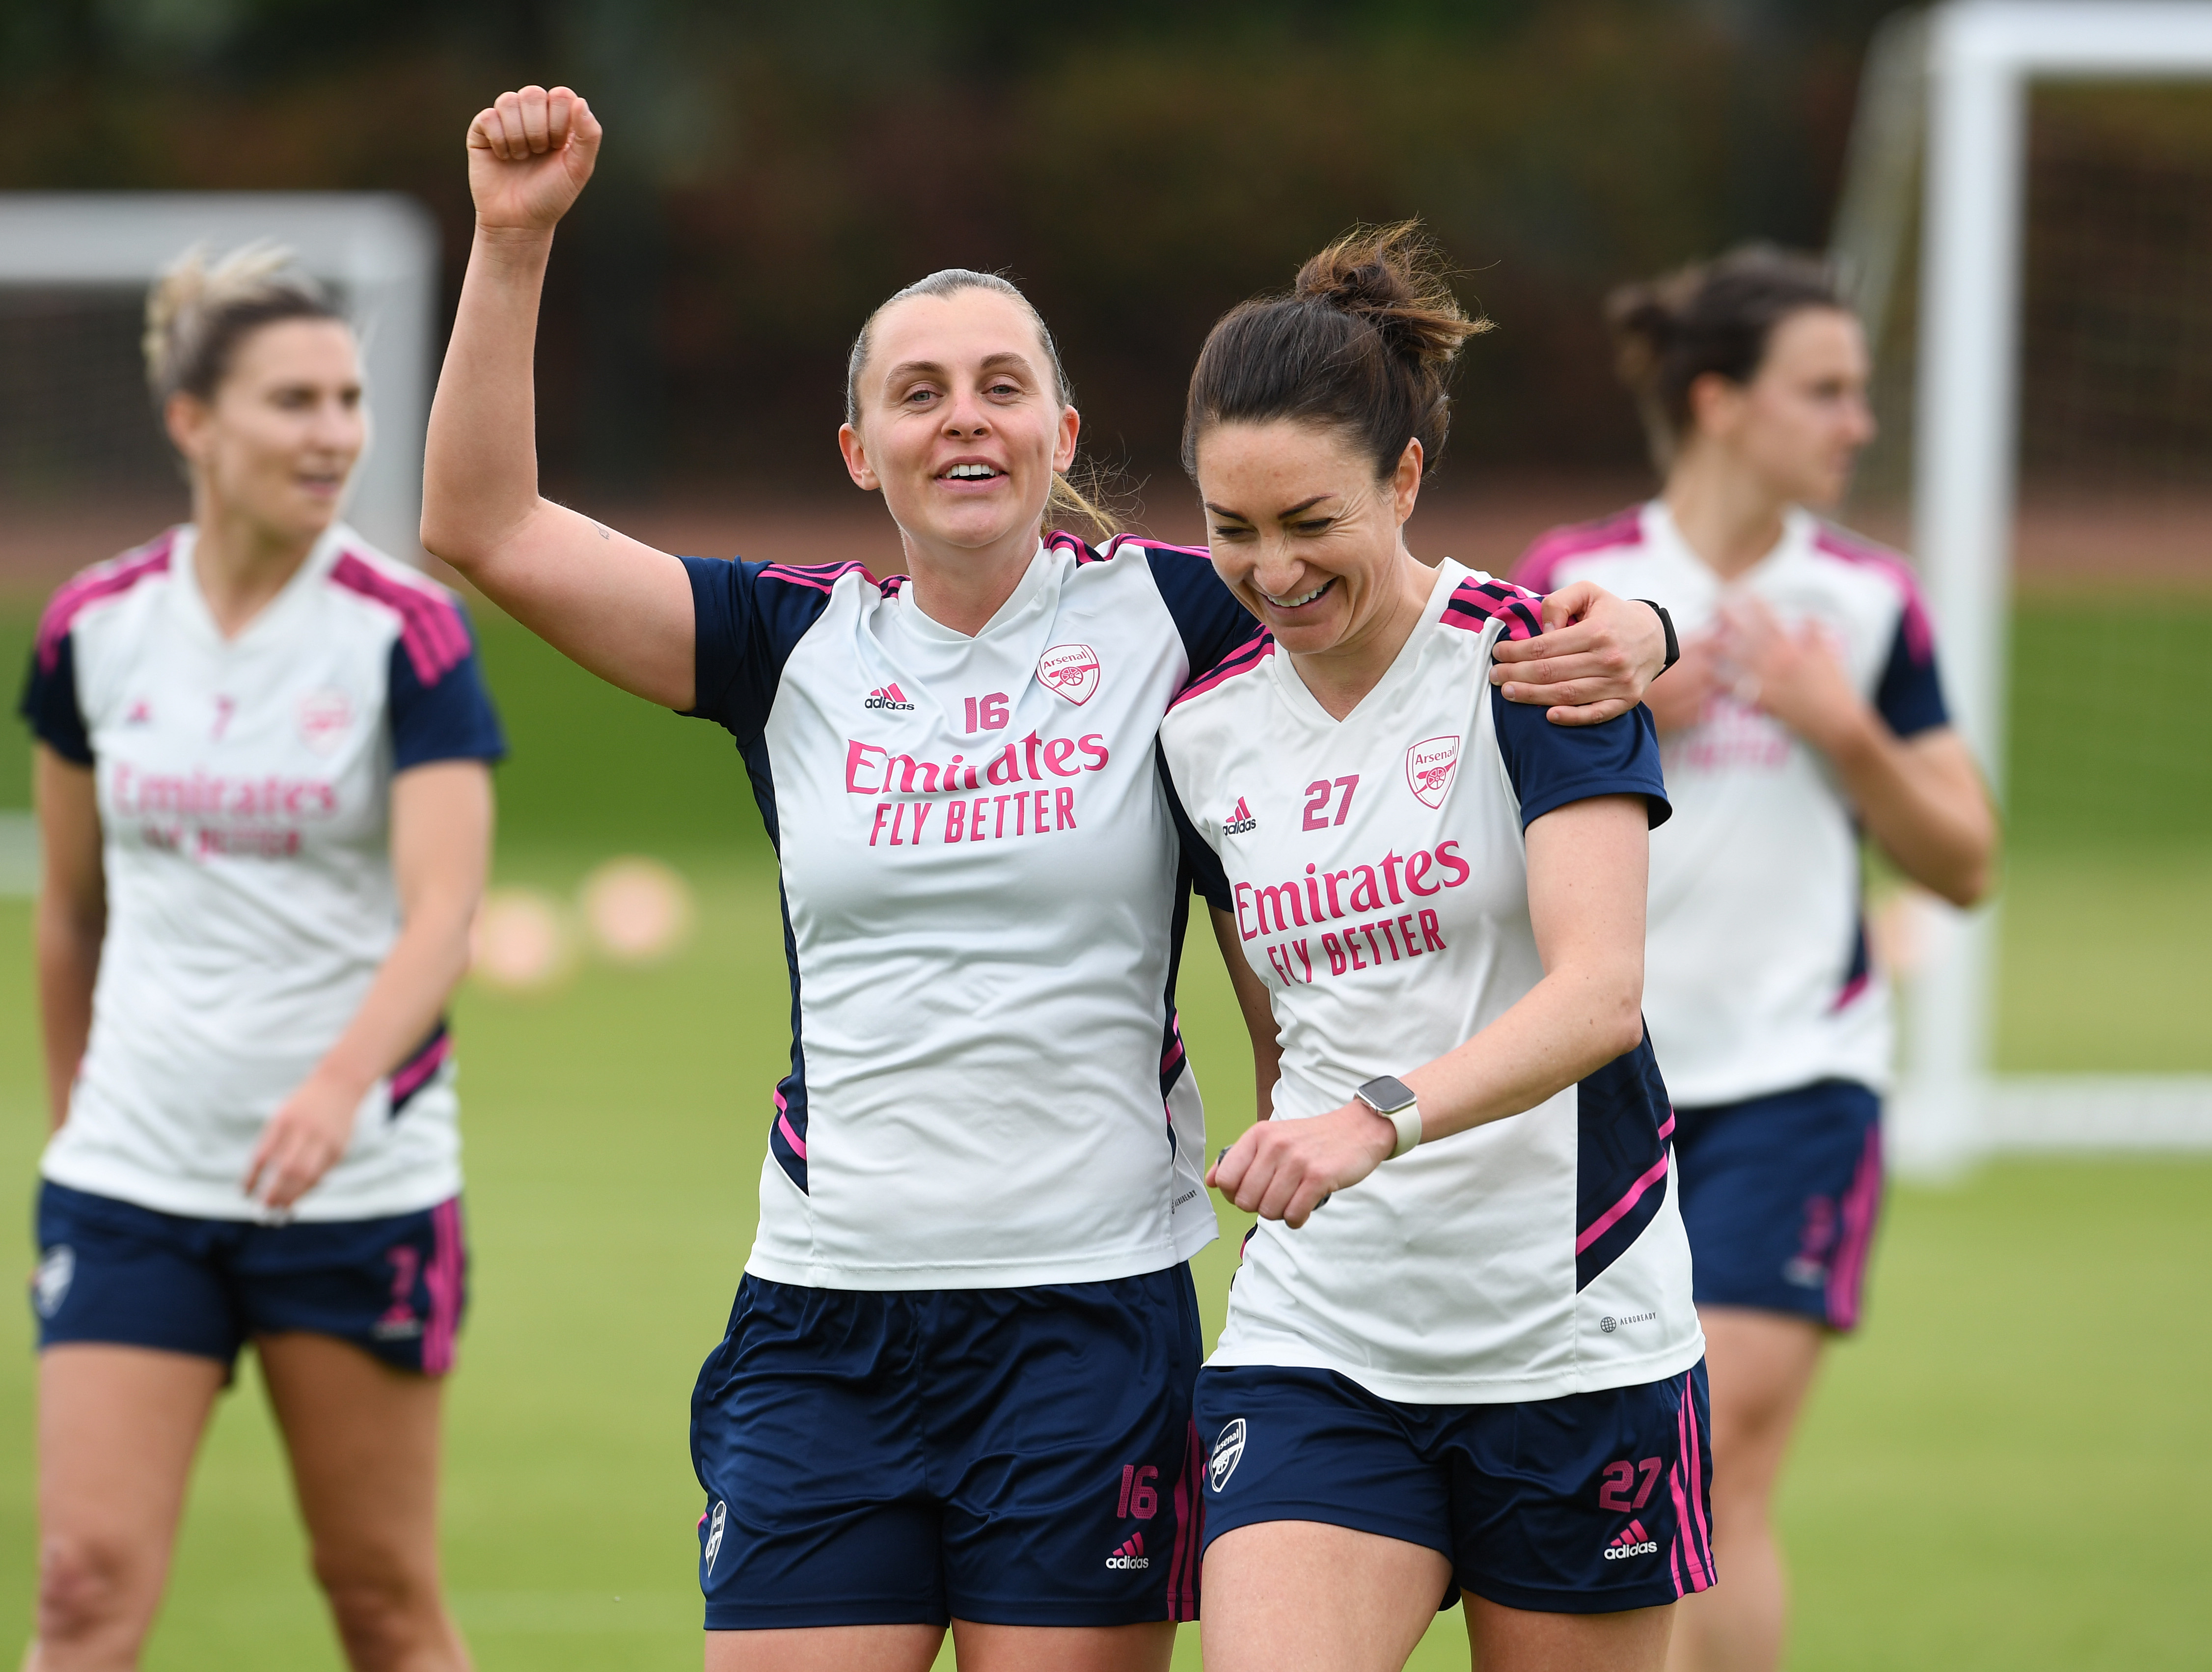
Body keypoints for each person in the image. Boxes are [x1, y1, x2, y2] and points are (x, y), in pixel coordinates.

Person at [423, 86, 1669, 1672]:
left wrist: (1635, 626)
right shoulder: (781, 644)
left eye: (1003, 386)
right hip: (827, 1306)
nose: (964, 418)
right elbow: (477, 522)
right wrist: (514, 239)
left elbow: (1398, 593)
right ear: (856, 445)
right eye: (920, 392)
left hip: (1091, 1312)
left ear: (1062, 436)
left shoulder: (1184, 614)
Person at [1162, 223, 1710, 1672]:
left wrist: (1373, 1121)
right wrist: (1314, 1129)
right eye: (1229, 528)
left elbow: (1598, 998)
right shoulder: (1201, 729)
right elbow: (1281, 1028)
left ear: (1403, 479)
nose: (1269, 572)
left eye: (1310, 521)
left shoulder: (1538, 664)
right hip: (1322, 1335)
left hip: (1572, 1334)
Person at [16, 246, 503, 1672]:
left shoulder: (404, 636)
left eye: (349, 400)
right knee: (81, 1588)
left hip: (356, 1190)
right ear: (193, 424)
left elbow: (444, 916)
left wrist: (336, 1086)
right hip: (133, 1184)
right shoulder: (93, 630)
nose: (334, 433)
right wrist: (75, 1127)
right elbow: (70, 913)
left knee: (377, 1601)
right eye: (294, 401)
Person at [1513, 247, 1997, 1672]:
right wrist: (1627, 707)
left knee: (1711, 1455)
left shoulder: (1864, 600)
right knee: (1616, 1473)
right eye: (1826, 392)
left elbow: (1962, 861)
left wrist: (1837, 726)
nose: (1856, 423)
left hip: (1798, 1082)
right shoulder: (1576, 582)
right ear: (1719, 402)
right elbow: (1474, 819)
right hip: (1599, 1086)